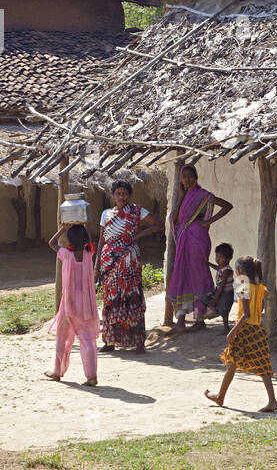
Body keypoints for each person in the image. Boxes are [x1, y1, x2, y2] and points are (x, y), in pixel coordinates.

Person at [204, 256, 277, 413]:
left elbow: (246, 314)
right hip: (258, 329)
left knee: (232, 361)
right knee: (263, 365)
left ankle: (220, 396)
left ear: (242, 272)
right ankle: (272, 401)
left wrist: (233, 331)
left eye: (237, 270)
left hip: (244, 329)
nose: (236, 273)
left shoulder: (243, 286)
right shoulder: (260, 288)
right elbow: (257, 310)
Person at [163, 164, 232, 332]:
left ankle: (199, 319)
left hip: (197, 239)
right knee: (184, 276)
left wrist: (209, 221)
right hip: (183, 241)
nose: (187, 179)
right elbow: (177, 217)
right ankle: (182, 321)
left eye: (190, 176)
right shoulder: (184, 196)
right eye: (184, 176)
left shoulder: (202, 195)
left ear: (196, 177)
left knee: (197, 276)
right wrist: (181, 195)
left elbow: (227, 206)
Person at [96, 180, 160, 353]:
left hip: (129, 261)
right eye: (118, 193)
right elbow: (102, 240)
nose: (122, 197)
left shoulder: (137, 211)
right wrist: (96, 267)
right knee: (111, 299)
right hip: (108, 261)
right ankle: (110, 341)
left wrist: (138, 236)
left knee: (131, 297)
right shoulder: (106, 214)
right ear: (113, 195)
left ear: (129, 195)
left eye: (125, 193)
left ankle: (138, 342)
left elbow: (157, 225)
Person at [45, 223, 100, 386]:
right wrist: (85, 226)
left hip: (69, 303)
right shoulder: (89, 252)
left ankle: (57, 371)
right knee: (88, 339)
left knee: (62, 337)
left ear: (69, 239)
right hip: (86, 303)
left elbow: (51, 243)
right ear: (84, 239)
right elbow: (90, 240)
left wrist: (63, 229)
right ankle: (92, 377)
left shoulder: (66, 254)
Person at [201, 242, 236, 333]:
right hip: (219, 290)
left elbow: (222, 286)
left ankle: (226, 328)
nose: (218, 259)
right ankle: (216, 310)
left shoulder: (227, 271)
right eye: (217, 257)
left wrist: (215, 298)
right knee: (204, 298)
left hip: (226, 293)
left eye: (221, 258)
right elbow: (217, 268)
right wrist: (208, 263)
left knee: (224, 310)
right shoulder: (221, 267)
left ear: (228, 258)